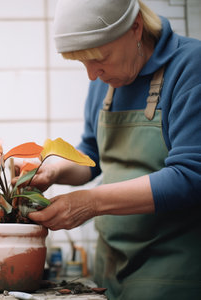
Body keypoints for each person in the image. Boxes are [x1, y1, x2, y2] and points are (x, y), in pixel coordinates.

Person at [22, 0, 201, 299]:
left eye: (100, 58)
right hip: (109, 270)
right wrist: (54, 169)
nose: (92, 75)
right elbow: (92, 155)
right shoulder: (106, 80)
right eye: (82, 62)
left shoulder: (190, 67)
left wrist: (91, 202)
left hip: (172, 274)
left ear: (135, 28)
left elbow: (191, 176)